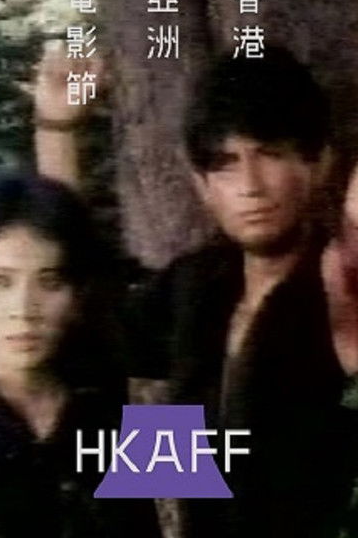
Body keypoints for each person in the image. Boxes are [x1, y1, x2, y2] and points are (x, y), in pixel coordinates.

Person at [133, 48, 356, 537]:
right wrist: (57, 133)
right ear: (202, 184)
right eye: (226, 164)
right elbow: (78, 325)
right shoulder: (192, 287)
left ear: (319, 163)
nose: (250, 186)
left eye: (270, 154)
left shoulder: (341, 291)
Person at [0, 170, 160, 538]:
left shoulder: (129, 406)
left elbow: (182, 524)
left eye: (49, 282)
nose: (24, 309)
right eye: (1, 281)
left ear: (76, 296)